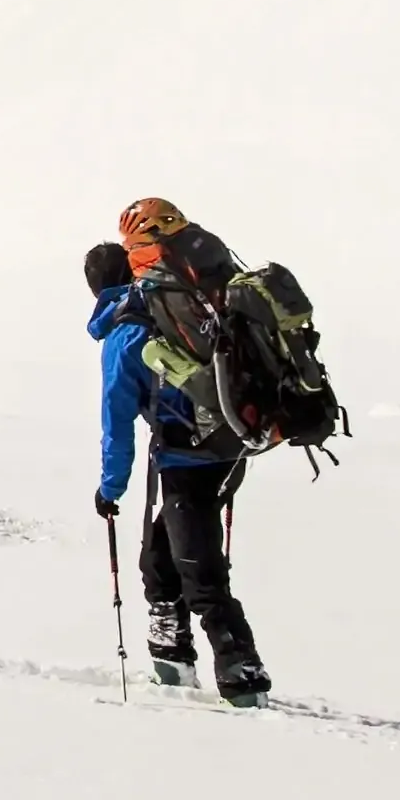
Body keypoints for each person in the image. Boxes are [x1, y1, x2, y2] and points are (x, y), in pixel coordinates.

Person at [88, 196, 272, 701]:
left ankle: (241, 674)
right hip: (235, 437)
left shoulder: (127, 331)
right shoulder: (189, 298)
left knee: (198, 566)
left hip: (188, 452)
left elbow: (117, 423)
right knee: (162, 553)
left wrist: (111, 488)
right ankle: (172, 655)